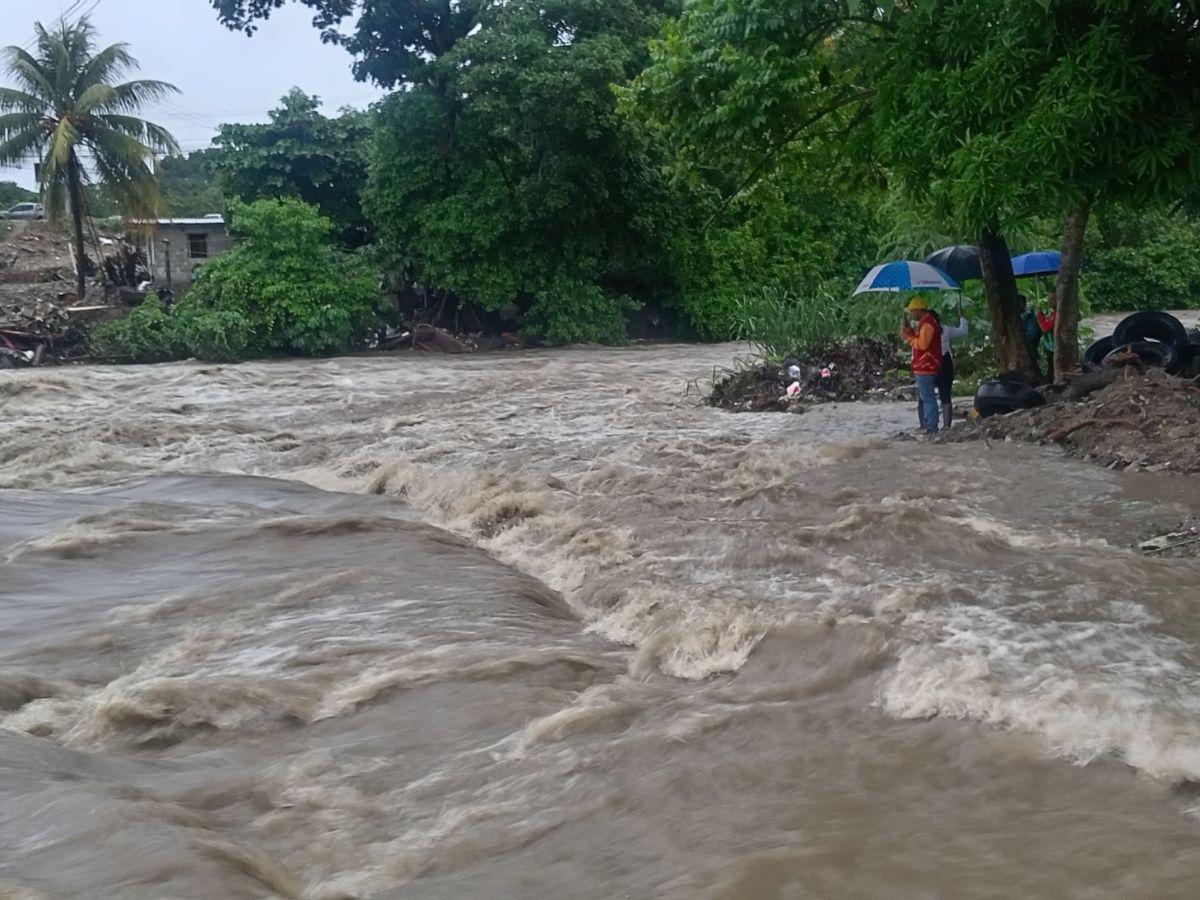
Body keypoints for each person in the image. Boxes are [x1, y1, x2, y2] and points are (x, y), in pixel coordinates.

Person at [901, 296, 943, 434]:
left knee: (928, 397)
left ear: (919, 310)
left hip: (926, 366)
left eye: (913, 311)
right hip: (926, 366)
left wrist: (909, 338)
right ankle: (929, 424)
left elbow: (922, 345)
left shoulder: (927, 325)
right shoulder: (926, 323)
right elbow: (921, 340)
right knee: (927, 397)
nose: (912, 314)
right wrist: (911, 334)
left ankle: (931, 426)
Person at [936, 305, 968, 429]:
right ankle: (945, 425)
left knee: (935, 395)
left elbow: (962, 332)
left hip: (940, 364)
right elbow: (962, 331)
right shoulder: (945, 330)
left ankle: (937, 425)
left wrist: (962, 317)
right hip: (943, 363)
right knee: (943, 394)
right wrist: (963, 319)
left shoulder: (944, 330)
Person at [1019, 294, 1042, 378]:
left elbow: (1033, 334)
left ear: (1024, 304)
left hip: (1030, 348)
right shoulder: (1018, 316)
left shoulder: (1030, 316)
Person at [1037, 292, 1057, 380]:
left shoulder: (1056, 314)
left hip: (1054, 346)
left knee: (1052, 367)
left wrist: (1040, 316)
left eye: (1052, 300)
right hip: (1050, 345)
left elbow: (1045, 328)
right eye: (1049, 300)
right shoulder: (1053, 313)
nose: (1050, 302)